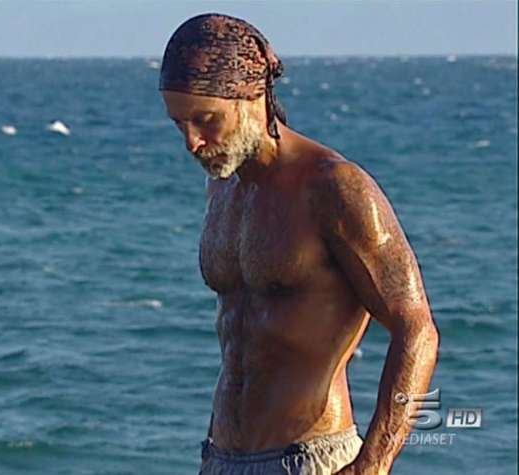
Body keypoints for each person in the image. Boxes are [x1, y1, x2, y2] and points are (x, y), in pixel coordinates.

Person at [158, 14, 440, 475]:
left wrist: (373, 463)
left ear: (252, 97)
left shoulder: (335, 188)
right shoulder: (223, 188)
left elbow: (417, 329)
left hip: (310, 460)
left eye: (205, 121)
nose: (191, 142)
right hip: (220, 458)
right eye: (179, 123)